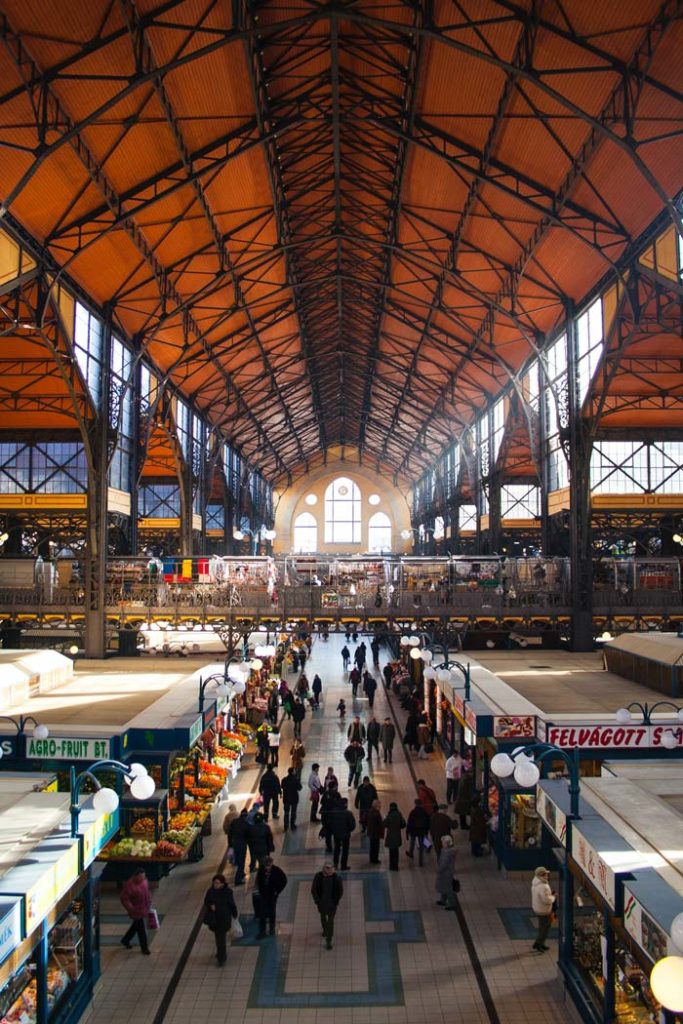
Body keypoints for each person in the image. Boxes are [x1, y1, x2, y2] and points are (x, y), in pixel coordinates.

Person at [203, 873, 238, 965]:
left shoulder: (227, 892)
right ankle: (220, 953)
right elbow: (206, 901)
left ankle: (221, 958)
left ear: (222, 883)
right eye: (214, 883)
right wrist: (210, 906)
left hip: (223, 919)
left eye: (217, 883)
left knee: (221, 939)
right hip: (214, 919)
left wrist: (234, 914)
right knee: (219, 938)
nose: (215, 885)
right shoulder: (210, 891)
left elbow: (231, 904)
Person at [312, 862, 344, 950]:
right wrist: (317, 901)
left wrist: (336, 901)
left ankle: (328, 939)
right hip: (321, 903)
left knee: (330, 921)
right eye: (327, 869)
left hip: (332, 904)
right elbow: (314, 889)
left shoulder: (336, 878)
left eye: (330, 869)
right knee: (322, 916)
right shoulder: (318, 877)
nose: (328, 871)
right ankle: (325, 929)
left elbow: (340, 891)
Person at [120, 869, 152, 954]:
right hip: (136, 910)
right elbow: (124, 899)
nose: (143, 878)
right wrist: (131, 909)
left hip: (144, 907)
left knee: (135, 926)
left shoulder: (144, 882)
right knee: (141, 930)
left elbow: (147, 892)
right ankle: (144, 948)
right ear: (136, 876)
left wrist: (149, 901)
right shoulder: (129, 886)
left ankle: (125, 939)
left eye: (144, 876)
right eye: (141, 876)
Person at [255, 857, 288, 938]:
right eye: (266, 866)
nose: (267, 867)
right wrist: (259, 889)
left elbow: (284, 880)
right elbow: (258, 880)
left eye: (269, 865)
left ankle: (272, 929)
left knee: (271, 912)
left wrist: (277, 891)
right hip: (263, 895)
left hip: (272, 895)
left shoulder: (277, 870)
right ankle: (262, 931)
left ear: (271, 864)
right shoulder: (261, 870)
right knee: (262, 913)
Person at [327, 797, 356, 870]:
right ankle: (343, 865)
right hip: (345, 835)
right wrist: (349, 830)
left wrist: (333, 831)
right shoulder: (348, 813)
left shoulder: (333, 812)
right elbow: (352, 825)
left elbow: (329, 823)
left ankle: (335, 864)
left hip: (336, 834)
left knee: (337, 849)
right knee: (345, 850)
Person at [531, 866, 555, 952]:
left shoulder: (535, 883)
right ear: (542, 875)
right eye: (545, 874)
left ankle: (539, 943)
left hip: (538, 908)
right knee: (545, 928)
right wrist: (553, 897)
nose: (547, 875)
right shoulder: (543, 886)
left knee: (542, 927)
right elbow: (546, 900)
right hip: (544, 910)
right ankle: (539, 944)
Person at [406, 798, 431, 866]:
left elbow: (409, 822)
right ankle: (420, 861)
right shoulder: (424, 812)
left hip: (414, 831)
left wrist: (407, 832)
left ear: (415, 804)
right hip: (422, 831)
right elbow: (428, 821)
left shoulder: (413, 812)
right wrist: (427, 829)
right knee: (421, 845)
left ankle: (411, 853)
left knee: (412, 842)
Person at [228, 808, 250, 885]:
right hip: (241, 844)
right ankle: (238, 880)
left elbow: (229, 833)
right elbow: (248, 836)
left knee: (237, 859)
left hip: (234, 843)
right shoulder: (246, 824)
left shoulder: (234, 822)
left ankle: (241, 873)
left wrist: (230, 845)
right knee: (241, 861)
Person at [435, 835, 457, 910]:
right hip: (446, 872)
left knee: (448, 888)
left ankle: (452, 904)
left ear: (447, 844)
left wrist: (439, 869)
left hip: (446, 873)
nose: (442, 844)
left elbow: (444, 864)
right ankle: (443, 900)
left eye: (443, 843)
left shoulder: (448, 853)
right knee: (444, 887)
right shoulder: (446, 851)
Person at [383, 802, 406, 871]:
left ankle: (391, 866)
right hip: (397, 835)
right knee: (396, 852)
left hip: (390, 835)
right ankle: (396, 866)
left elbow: (385, 824)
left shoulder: (389, 815)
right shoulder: (399, 814)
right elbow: (403, 825)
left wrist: (384, 819)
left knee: (391, 852)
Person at [281, 767, 302, 831]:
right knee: (293, 813)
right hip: (294, 799)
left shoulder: (284, 779)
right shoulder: (295, 780)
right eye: (294, 771)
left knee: (286, 813)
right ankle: (292, 826)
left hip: (286, 798)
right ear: (293, 772)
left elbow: (282, 786)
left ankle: (285, 826)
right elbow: (300, 788)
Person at [366, 799, 384, 864]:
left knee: (372, 846)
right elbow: (380, 823)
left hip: (371, 832)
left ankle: (372, 859)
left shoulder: (371, 811)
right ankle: (375, 859)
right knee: (376, 846)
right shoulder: (376, 813)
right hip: (376, 832)